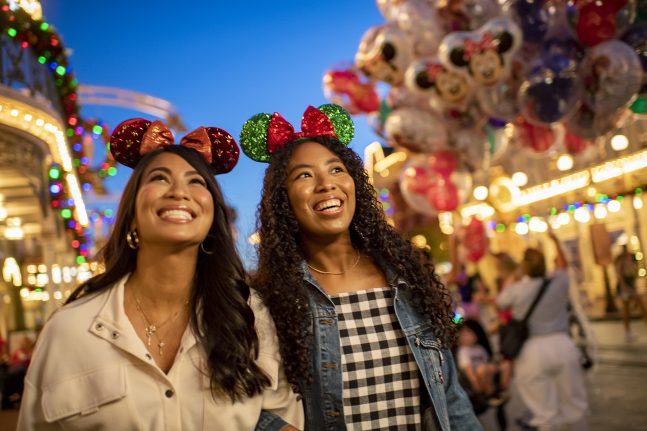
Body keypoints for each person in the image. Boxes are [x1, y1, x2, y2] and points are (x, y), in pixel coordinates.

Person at [17, 119, 303, 430]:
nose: (179, 191)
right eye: (159, 178)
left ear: (212, 215)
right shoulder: (69, 330)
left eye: (196, 182)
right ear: (132, 214)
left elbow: (281, 416)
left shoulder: (249, 315)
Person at [240, 104, 481, 430]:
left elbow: (451, 399)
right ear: (282, 200)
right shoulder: (271, 299)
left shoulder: (406, 280)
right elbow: (246, 405)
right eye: (305, 175)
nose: (327, 184)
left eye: (337, 170)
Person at [496, 233, 588, 431]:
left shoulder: (517, 289)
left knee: (544, 414)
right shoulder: (558, 281)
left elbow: (501, 301)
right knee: (574, 408)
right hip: (562, 345)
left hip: (532, 350)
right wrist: (555, 241)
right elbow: (564, 266)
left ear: (525, 266)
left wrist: (515, 276)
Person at [614, 243, 647, 342]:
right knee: (627, 310)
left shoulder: (631, 261)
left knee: (641, 307)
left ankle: (628, 332)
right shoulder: (621, 261)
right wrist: (625, 288)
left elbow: (633, 274)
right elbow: (620, 277)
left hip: (631, 286)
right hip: (625, 288)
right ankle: (627, 332)